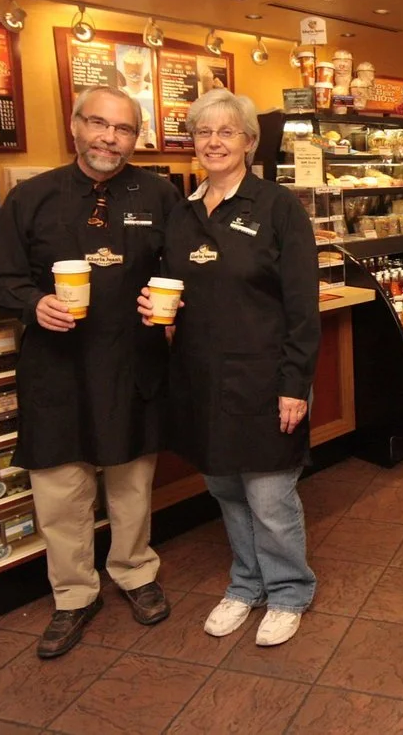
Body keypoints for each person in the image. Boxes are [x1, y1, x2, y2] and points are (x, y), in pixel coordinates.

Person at [0, 85, 180, 658]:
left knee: (131, 485)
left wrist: (175, 305)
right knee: (60, 492)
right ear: (75, 125)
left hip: (132, 362)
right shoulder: (32, 197)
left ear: (134, 137)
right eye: (98, 124)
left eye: (122, 130)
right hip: (57, 368)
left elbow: (185, 264)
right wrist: (32, 303)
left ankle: (136, 573)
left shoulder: (160, 195)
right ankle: (73, 594)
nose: (109, 139)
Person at [138, 89, 320, 647]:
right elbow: (179, 291)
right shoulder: (183, 213)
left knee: (269, 497)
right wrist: (155, 308)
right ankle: (247, 583)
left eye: (226, 132)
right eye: (202, 132)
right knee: (226, 491)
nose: (213, 142)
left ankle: (289, 589)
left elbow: (301, 305)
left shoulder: (277, 207)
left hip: (265, 379)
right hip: (200, 380)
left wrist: (295, 385)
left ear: (247, 141)